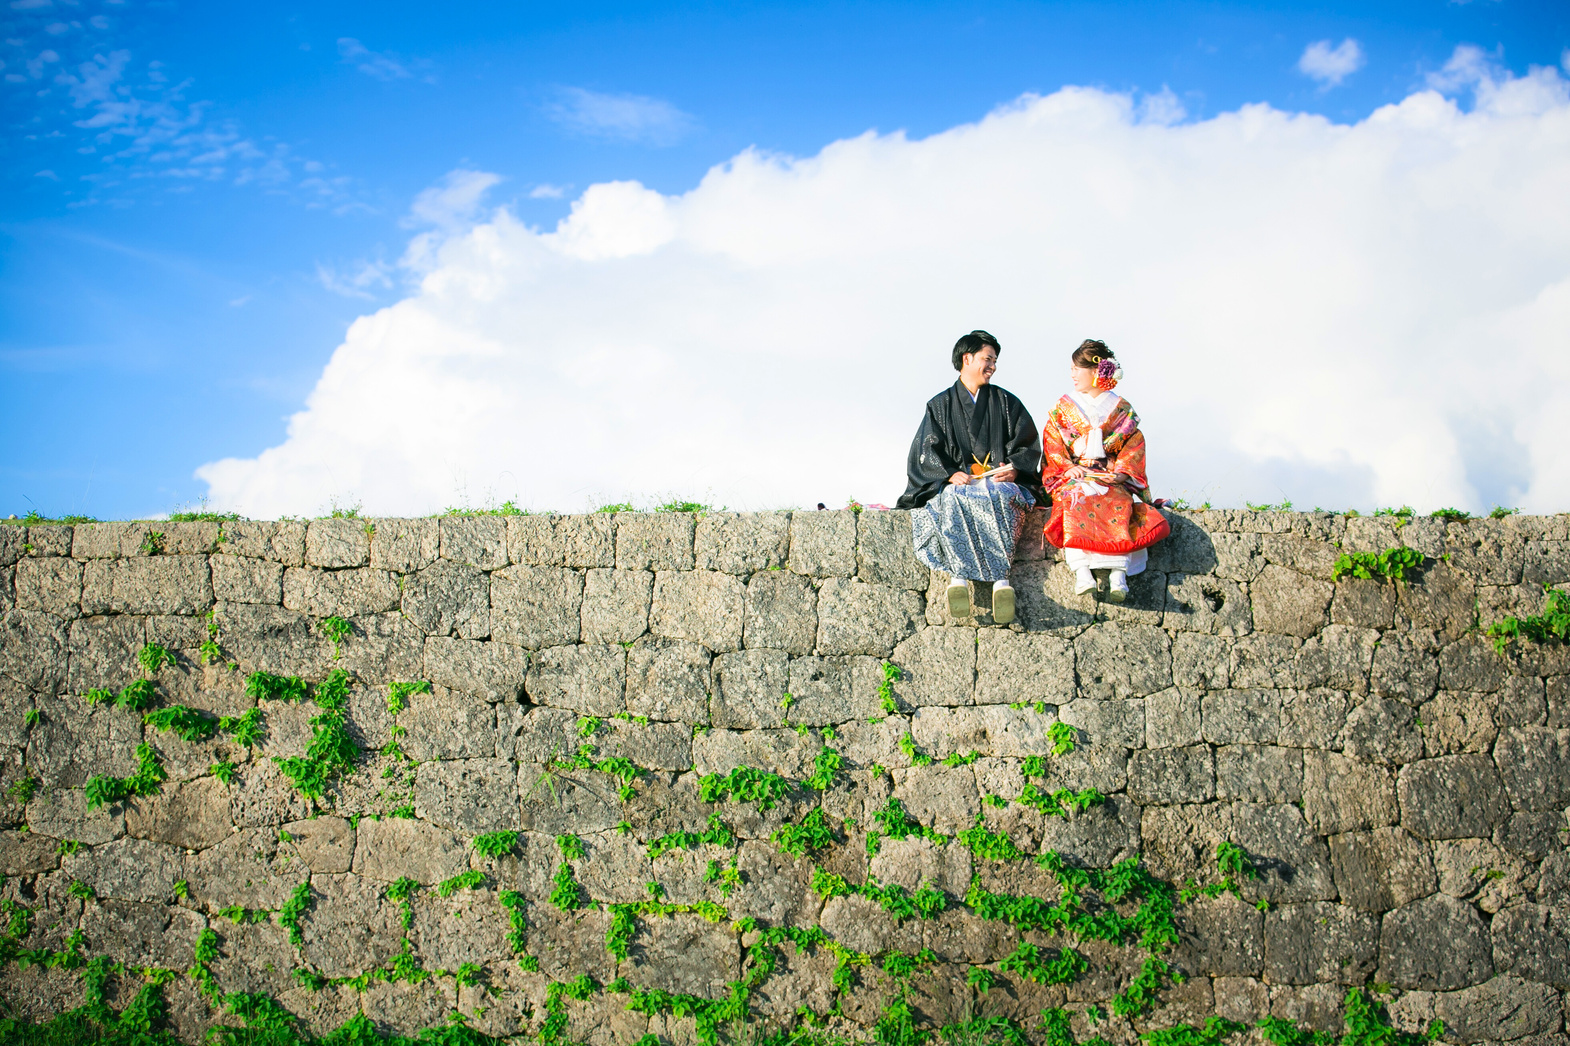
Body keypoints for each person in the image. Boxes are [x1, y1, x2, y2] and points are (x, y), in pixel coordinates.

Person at [896, 330, 1042, 624]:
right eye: (988, 359)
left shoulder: (1006, 402)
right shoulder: (940, 405)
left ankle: (1002, 582)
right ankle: (958, 579)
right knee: (952, 498)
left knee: (1003, 496)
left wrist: (1014, 468)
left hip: (999, 480)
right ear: (968, 358)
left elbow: (1026, 444)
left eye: (995, 361)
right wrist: (950, 474)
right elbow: (926, 449)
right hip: (960, 482)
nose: (993, 366)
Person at [1040, 340, 1169, 602]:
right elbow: (1053, 443)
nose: (1073, 374)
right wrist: (1068, 467)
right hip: (1076, 474)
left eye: (1077, 368)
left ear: (1096, 371)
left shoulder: (1121, 408)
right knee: (1075, 498)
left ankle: (1118, 576)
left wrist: (1122, 472)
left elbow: (1133, 443)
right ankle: (1082, 572)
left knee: (1119, 502)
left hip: (1110, 475)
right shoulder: (1063, 407)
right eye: (1072, 368)